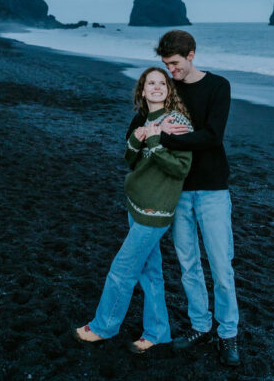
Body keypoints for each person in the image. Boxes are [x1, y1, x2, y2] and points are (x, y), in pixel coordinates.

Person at [74, 68, 192, 354]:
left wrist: (154, 141)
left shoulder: (177, 122)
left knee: (122, 271)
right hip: (136, 203)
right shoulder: (144, 119)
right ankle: (157, 332)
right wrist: (137, 140)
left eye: (161, 83)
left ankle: (103, 327)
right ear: (142, 90)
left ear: (168, 90)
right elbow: (131, 160)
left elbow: (181, 169)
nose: (156, 87)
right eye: (150, 83)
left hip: (155, 210)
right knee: (150, 273)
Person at [155, 29, 240, 367]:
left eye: (174, 64)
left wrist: (169, 140)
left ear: (191, 54)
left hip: (212, 189)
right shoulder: (168, 88)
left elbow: (212, 136)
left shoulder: (219, 86)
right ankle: (200, 326)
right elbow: (145, 120)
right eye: (165, 65)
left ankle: (228, 333)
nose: (170, 71)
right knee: (188, 265)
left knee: (221, 267)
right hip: (177, 189)